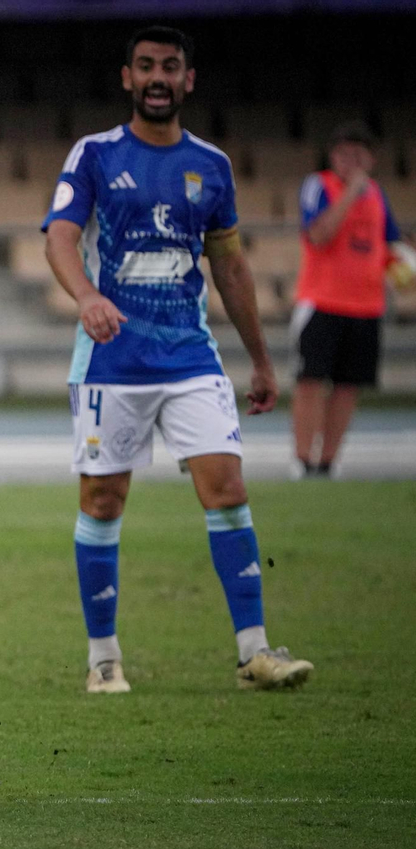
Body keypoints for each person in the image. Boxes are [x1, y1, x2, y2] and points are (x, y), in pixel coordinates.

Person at [42, 26, 313, 694]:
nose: (157, 77)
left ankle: (254, 651)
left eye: (170, 67)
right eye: (145, 67)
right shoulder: (96, 153)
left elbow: (230, 265)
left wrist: (261, 359)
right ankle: (103, 657)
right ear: (127, 79)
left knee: (228, 489)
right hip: (112, 360)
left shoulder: (212, 166)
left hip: (191, 356)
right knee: (103, 500)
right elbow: (61, 237)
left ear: (189, 80)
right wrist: (85, 296)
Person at [291, 123, 411, 478]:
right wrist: (350, 193)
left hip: (366, 305)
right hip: (322, 301)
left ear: (371, 159)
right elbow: (318, 235)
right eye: (344, 154)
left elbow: (390, 244)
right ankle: (302, 460)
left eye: (359, 155)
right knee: (310, 381)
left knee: (348, 386)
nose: (352, 162)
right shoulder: (320, 186)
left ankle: (327, 462)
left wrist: (405, 267)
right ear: (333, 158)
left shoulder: (377, 194)